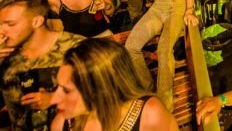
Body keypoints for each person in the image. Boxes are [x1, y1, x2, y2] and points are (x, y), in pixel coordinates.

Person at [125, 0, 199, 111]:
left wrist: (189, 10)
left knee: (164, 49)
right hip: (157, 7)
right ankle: (148, 87)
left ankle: (165, 101)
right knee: (131, 46)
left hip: (177, 6)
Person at [50, 38, 178, 131]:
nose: (54, 99)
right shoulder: (60, 124)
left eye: (67, 90)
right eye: (57, 87)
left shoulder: (150, 115)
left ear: (100, 89)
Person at [0, 0, 85, 131]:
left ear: (37, 21)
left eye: (10, 24)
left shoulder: (77, 47)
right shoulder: (4, 55)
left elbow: (105, 93)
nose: (2, 31)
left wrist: (55, 98)